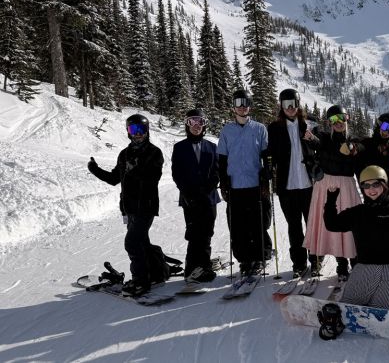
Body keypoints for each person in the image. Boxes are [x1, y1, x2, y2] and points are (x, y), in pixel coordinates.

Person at [323, 165, 389, 312]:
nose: (371, 189)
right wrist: (331, 199)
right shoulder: (359, 213)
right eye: (366, 185)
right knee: (351, 305)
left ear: (384, 185)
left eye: (376, 184)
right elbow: (332, 224)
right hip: (366, 267)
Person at [87, 114, 164, 296]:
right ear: (128, 132)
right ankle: (156, 272)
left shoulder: (154, 152)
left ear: (147, 132)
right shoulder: (124, 154)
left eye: (141, 130)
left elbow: (152, 179)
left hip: (146, 206)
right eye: (133, 130)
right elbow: (115, 179)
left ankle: (141, 282)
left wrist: (135, 170)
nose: (138, 134)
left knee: (132, 242)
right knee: (142, 242)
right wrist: (95, 169)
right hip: (129, 207)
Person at [302, 105, 363, 280]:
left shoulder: (353, 140)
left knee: (351, 225)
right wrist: (310, 138)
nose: (338, 123)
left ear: (347, 119)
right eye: (334, 120)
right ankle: (342, 266)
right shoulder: (323, 138)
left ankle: (356, 264)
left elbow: (361, 148)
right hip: (327, 186)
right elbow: (316, 141)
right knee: (333, 225)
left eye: (342, 118)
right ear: (329, 122)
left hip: (347, 185)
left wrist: (354, 148)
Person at [267, 89, 322, 277]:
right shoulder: (274, 128)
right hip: (287, 186)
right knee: (294, 226)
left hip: (308, 184)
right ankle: (298, 263)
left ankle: (315, 260)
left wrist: (312, 138)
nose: (290, 108)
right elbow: (270, 153)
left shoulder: (310, 124)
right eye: (286, 104)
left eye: (293, 103)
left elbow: (321, 147)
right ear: (281, 106)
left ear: (298, 105)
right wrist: (267, 164)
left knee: (312, 224)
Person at [217, 89, 272, 277]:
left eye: (245, 103)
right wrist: (223, 182)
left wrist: (266, 179)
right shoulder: (227, 131)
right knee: (238, 225)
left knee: (257, 223)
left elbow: (267, 157)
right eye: (238, 103)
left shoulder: (259, 128)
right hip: (235, 185)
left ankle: (260, 257)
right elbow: (222, 160)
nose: (242, 107)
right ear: (233, 107)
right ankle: (244, 260)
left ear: (250, 106)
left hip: (255, 183)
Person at [171, 109, 221, 283]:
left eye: (200, 121)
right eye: (192, 122)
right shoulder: (179, 148)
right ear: (187, 124)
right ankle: (191, 269)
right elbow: (177, 173)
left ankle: (204, 267)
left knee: (207, 233)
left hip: (209, 198)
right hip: (189, 198)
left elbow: (217, 171)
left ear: (204, 124)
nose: (196, 126)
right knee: (194, 233)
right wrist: (188, 192)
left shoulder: (212, 147)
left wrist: (209, 186)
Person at [358, 113, 389, 204]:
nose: (387, 132)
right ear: (379, 125)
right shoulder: (368, 143)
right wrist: (353, 147)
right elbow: (359, 146)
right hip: (378, 191)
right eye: (386, 127)